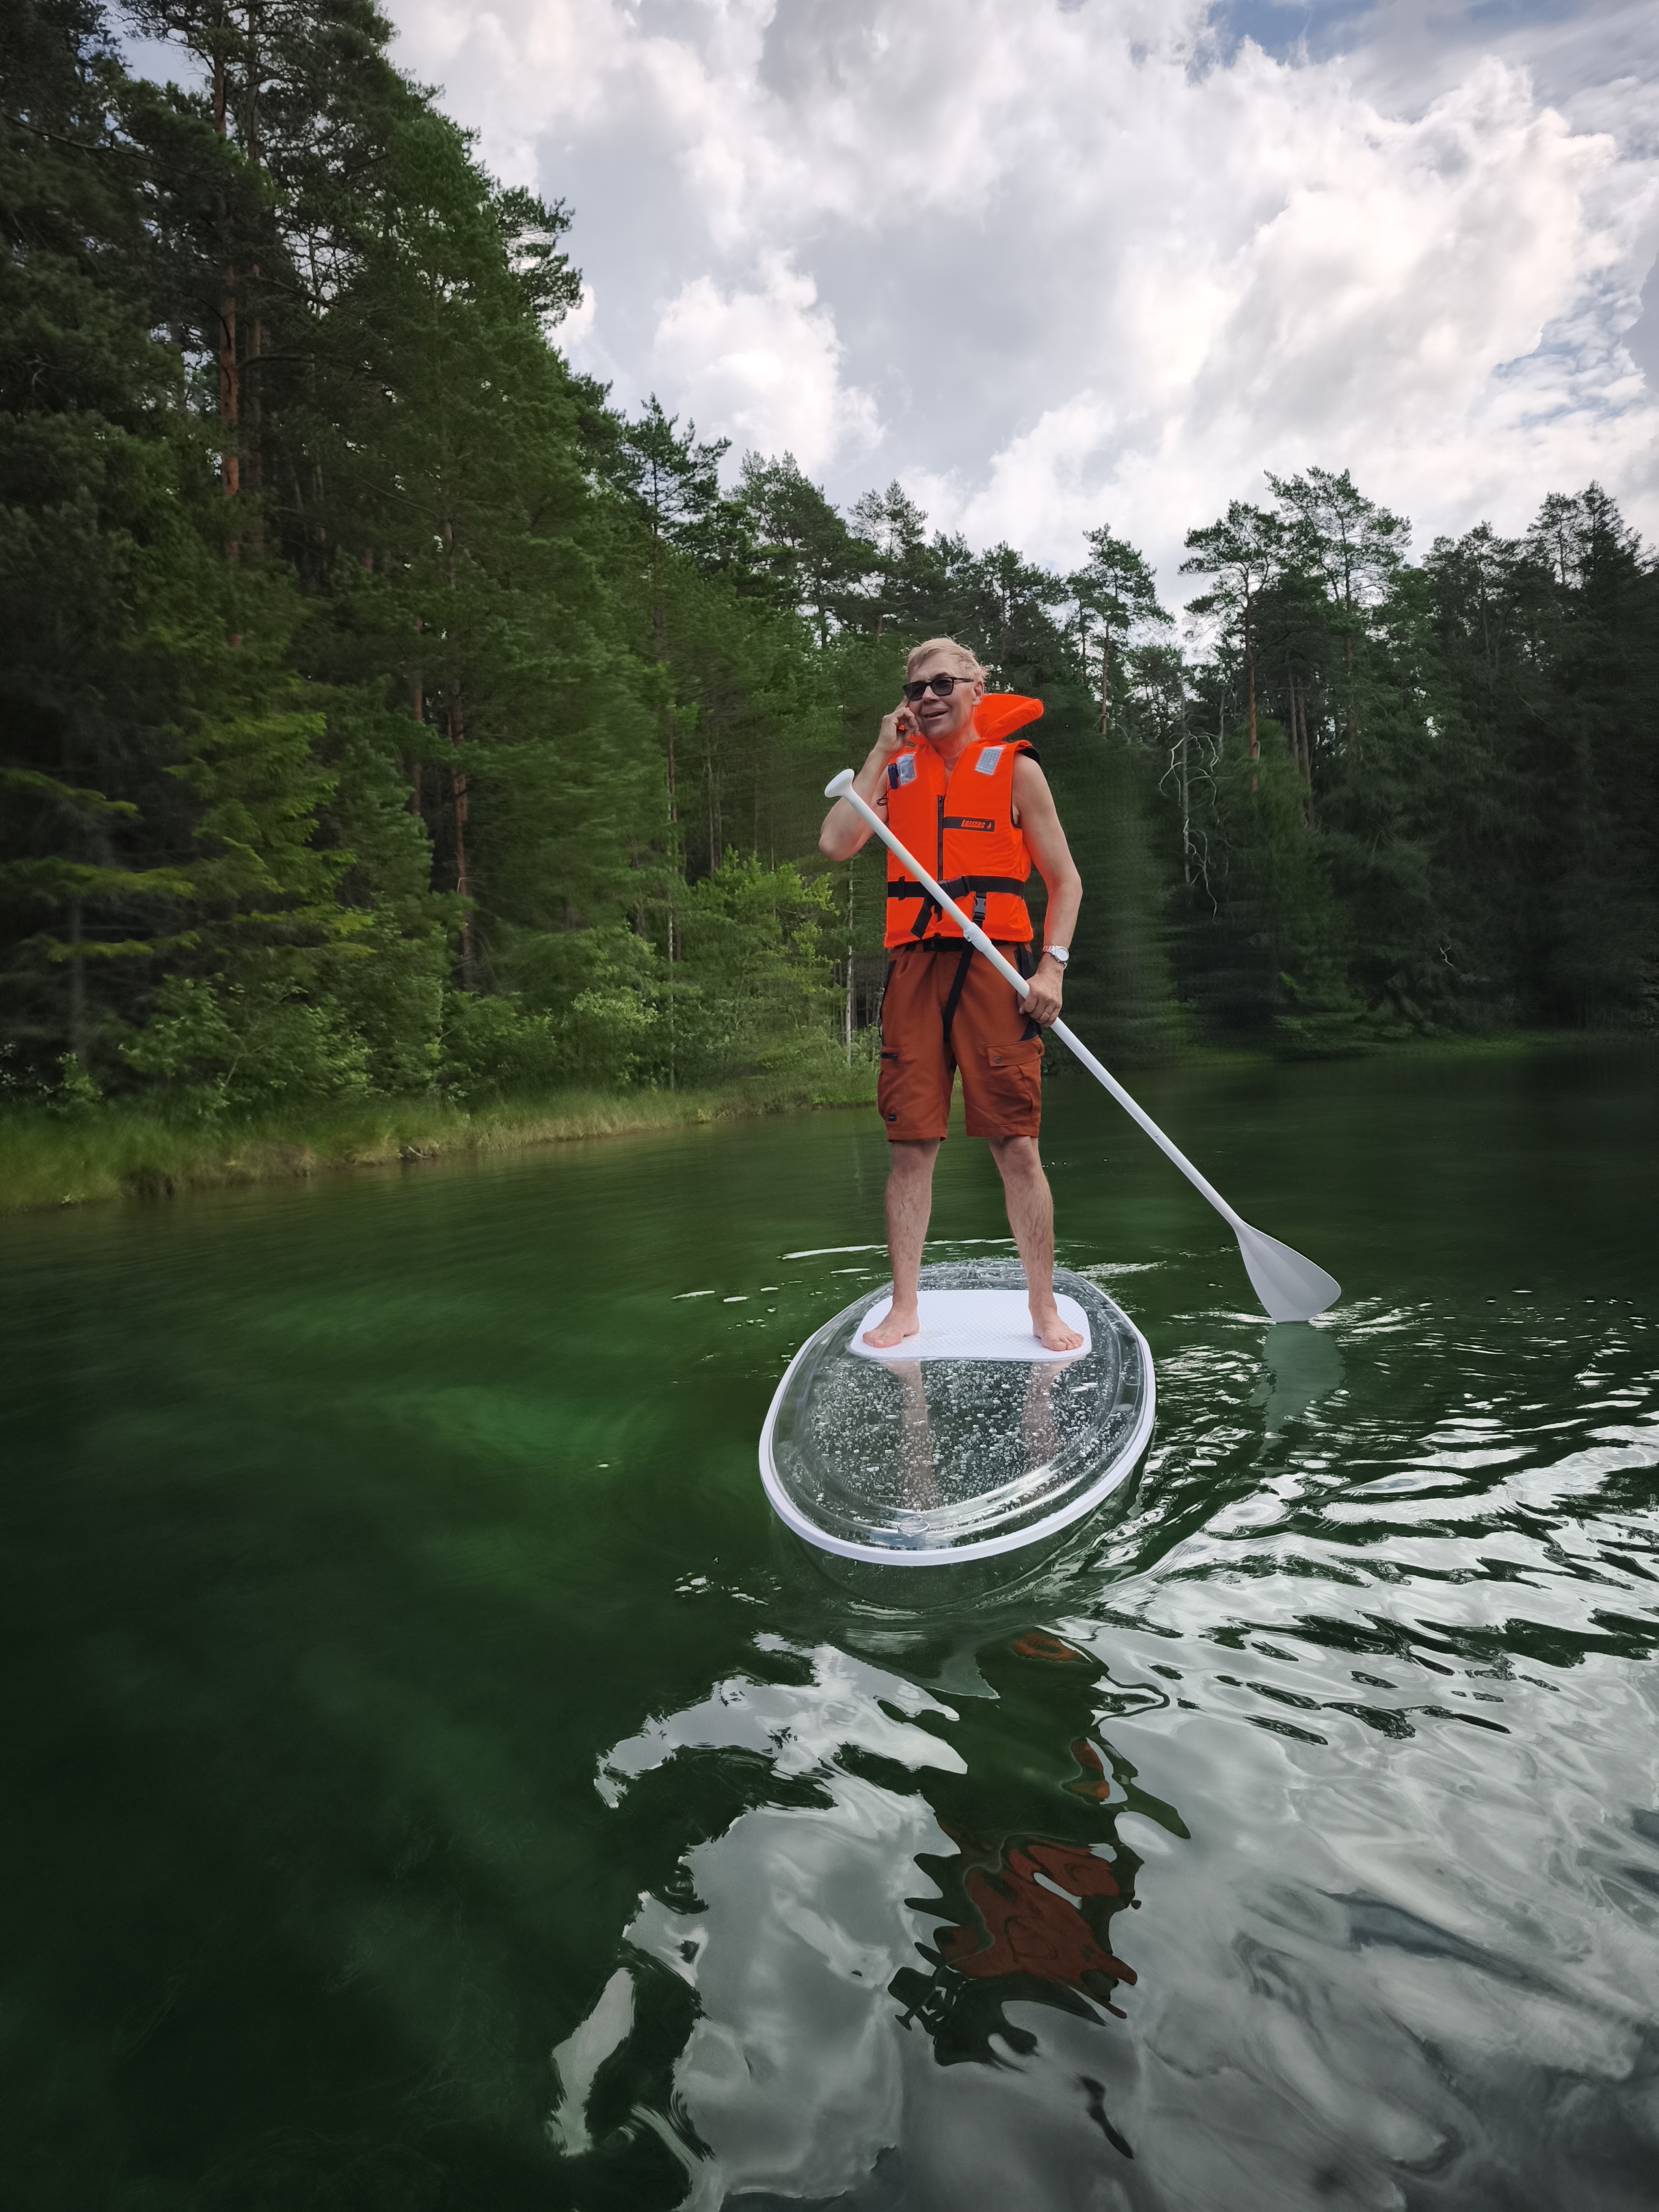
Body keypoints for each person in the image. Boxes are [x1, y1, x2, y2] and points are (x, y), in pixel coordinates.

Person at [819, 637, 1084, 1352]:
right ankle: (906, 1306)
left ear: (977, 687)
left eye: (942, 684)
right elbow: (836, 842)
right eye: (915, 690)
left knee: (1016, 1146)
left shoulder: (1016, 770)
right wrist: (878, 753)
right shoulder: (893, 773)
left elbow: (1066, 882)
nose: (928, 697)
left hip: (997, 968)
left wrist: (1051, 971)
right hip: (913, 971)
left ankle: (1042, 1308)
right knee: (911, 1147)